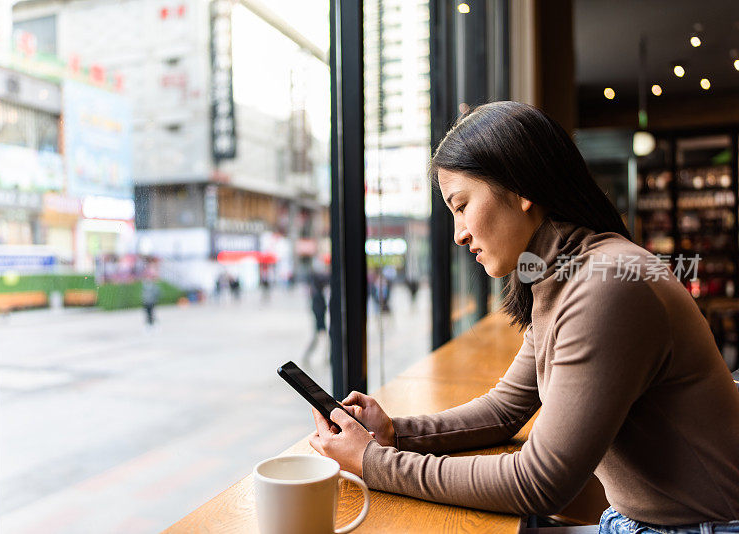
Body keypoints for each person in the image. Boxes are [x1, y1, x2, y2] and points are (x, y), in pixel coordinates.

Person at [307, 101, 739, 532]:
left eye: (461, 205)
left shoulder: (607, 285)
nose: (459, 234)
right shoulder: (562, 274)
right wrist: (395, 433)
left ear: (520, 188)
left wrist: (374, 462)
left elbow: (539, 481)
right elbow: (505, 409)